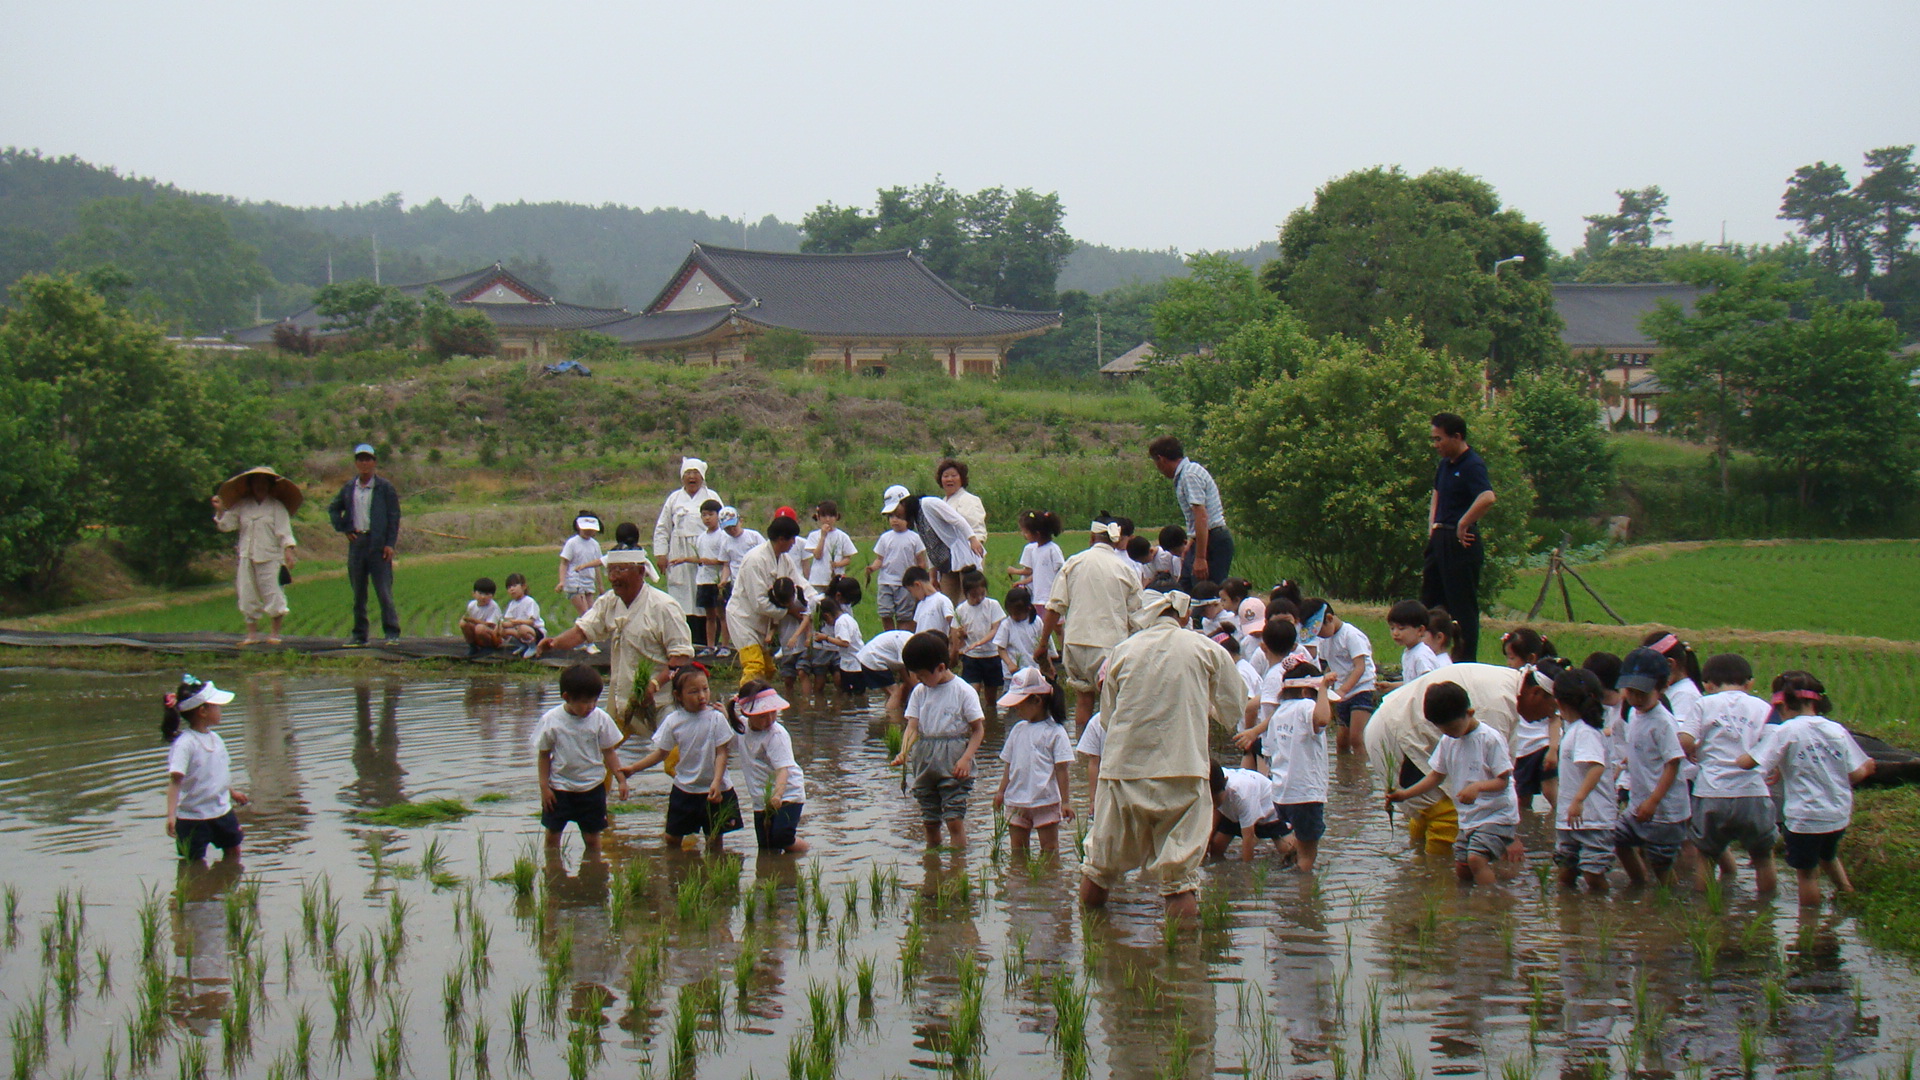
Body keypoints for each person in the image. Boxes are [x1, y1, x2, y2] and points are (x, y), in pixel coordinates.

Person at [1080, 591, 1248, 921]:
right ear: (1182, 616)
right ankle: (1180, 965)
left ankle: (1094, 946)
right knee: (1179, 882)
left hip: (1123, 772)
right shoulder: (1206, 648)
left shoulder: (1122, 651)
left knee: (1098, 866)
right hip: (1183, 770)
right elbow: (1234, 707)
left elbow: (1107, 720)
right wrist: (1206, 707)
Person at [1362, 662, 1554, 858]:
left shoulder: (1505, 688)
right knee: (1448, 818)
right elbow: (1488, 777)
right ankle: (1438, 878)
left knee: (1428, 809)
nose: (1549, 716)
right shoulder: (1497, 705)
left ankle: (1419, 867)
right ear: (1536, 693)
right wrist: (1508, 835)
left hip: (1392, 726)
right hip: (1397, 736)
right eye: (1551, 707)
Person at [1736, 670, 1874, 906]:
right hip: (1837, 814)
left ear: (1783, 705)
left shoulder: (1786, 731)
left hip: (1805, 818)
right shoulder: (1836, 730)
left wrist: (1730, 756)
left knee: (1807, 875)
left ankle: (1808, 928)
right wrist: (1868, 767)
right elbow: (1858, 772)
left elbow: (1750, 762)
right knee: (1828, 855)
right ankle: (1848, 893)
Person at [537, 549, 695, 738]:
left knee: (672, 753)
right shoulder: (609, 602)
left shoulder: (663, 607)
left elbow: (681, 657)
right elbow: (583, 631)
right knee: (603, 750)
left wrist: (654, 684)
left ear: (640, 572)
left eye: (620, 570)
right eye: (610, 571)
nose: (613, 578)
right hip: (622, 698)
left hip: (660, 701)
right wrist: (554, 643)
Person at [1387, 681, 1520, 886]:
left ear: (1470, 712)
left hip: (1497, 815)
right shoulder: (1449, 741)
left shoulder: (1490, 739)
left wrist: (1477, 787)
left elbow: (1503, 780)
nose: (1447, 732)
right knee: (1463, 869)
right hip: (1469, 817)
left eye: (1451, 727)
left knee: (1476, 859)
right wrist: (1405, 795)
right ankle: (1468, 904)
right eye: (1442, 729)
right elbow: (1435, 776)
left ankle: (1493, 904)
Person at [1678, 653, 1778, 894]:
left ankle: (1705, 914)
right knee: (1763, 858)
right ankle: (1767, 916)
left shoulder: (1703, 704)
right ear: (1750, 683)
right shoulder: (1764, 707)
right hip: (1752, 792)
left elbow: (1684, 739)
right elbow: (1776, 743)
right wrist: (1772, 768)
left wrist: (1693, 749)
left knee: (1706, 858)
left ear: (1707, 684)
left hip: (1711, 792)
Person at [1037, 519, 1143, 731]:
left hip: (1075, 643)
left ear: (1092, 538)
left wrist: (1042, 645)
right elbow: (1137, 618)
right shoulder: (1126, 568)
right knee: (1110, 706)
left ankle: (1084, 757)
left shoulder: (1074, 562)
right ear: (1114, 541)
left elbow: (1055, 607)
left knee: (1083, 700)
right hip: (1110, 645)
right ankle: (1103, 759)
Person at [620, 666, 743, 850]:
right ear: (678, 696)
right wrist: (633, 768)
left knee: (715, 839)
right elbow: (661, 753)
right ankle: (678, 870)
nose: (702, 696)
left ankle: (716, 875)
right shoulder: (674, 721)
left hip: (717, 788)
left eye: (705, 689)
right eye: (694, 691)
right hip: (685, 788)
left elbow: (722, 753)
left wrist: (716, 782)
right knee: (672, 838)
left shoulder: (716, 719)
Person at [891, 630, 987, 848]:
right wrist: (904, 752)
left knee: (954, 819)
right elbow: (912, 727)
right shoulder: (920, 692)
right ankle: (932, 870)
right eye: (916, 676)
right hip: (925, 760)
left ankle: (957, 866)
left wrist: (966, 758)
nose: (920, 681)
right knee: (930, 821)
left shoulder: (963, 691)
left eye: (923, 675)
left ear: (941, 668)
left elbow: (978, 730)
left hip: (954, 761)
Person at [1612, 646, 1691, 886]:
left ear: (1662, 687)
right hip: (1639, 806)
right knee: (1616, 839)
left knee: (1661, 865)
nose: (1635, 699)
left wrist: (1653, 801)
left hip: (1664, 812)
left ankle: (1667, 906)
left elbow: (1673, 763)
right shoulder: (1636, 715)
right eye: (1631, 692)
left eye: (1642, 694)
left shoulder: (1663, 722)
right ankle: (1639, 884)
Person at [1422, 413, 1496, 662]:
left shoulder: (1472, 464)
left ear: (1457, 436)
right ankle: (1430, 657)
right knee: (1430, 603)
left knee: (1461, 606)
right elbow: (1437, 493)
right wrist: (1433, 526)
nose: (1436, 445)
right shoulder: (1445, 465)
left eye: (1439, 439)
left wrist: (1464, 522)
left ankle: (1464, 661)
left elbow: (1487, 497)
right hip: (1440, 537)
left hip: (1460, 541)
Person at [533, 665, 628, 854]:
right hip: (559, 789)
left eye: (594, 700)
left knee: (592, 839)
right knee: (552, 836)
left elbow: (609, 751)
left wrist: (621, 779)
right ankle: (553, 874)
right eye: (585, 702)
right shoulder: (552, 720)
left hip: (592, 789)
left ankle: (595, 873)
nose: (591, 707)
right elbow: (544, 755)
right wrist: (544, 787)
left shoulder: (600, 718)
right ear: (567, 697)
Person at [161, 675, 247, 861]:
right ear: (203, 711)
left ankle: (227, 884)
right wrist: (171, 816)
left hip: (222, 811)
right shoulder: (185, 744)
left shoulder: (216, 739)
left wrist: (232, 793)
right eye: (215, 706)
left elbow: (217, 774)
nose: (220, 710)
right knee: (192, 863)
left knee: (233, 852)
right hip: (192, 818)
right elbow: (175, 782)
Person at [212, 466, 300, 646]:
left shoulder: (276, 507)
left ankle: (274, 634)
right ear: (251, 485)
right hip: (246, 555)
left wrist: (289, 551)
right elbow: (226, 525)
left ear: (269, 485)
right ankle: (251, 635)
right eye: (256, 483)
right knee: (247, 594)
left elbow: (284, 532)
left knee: (273, 593)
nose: (260, 486)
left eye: (263, 483)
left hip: (270, 556)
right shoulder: (243, 505)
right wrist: (220, 510)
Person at [992, 667, 1076, 857]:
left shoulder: (1055, 732)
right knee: (1018, 852)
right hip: (1016, 801)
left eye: (1019, 703)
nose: (1015, 708)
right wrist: (1000, 791)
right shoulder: (1018, 729)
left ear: (1036, 700)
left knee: (1049, 850)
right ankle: (1021, 884)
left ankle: (1049, 884)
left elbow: (1062, 769)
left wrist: (1066, 802)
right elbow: (1008, 764)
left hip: (1044, 801)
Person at [723, 515, 814, 683]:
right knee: (754, 667)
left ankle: (763, 705)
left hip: (761, 622)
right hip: (743, 620)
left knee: (768, 670)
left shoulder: (784, 559)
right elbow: (759, 603)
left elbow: (800, 582)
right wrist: (790, 611)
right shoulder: (755, 560)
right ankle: (743, 705)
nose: (794, 543)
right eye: (792, 539)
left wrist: (817, 601)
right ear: (781, 539)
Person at [1262, 659, 1335, 871]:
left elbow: (1269, 752)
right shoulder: (1307, 706)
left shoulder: (1279, 713)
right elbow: (1322, 720)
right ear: (1306, 692)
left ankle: (1289, 867)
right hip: (1306, 794)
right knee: (1308, 859)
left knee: (1301, 841)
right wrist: (1323, 689)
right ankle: (1303, 897)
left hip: (1282, 795)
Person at [326, 443, 402, 646]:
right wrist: (345, 528)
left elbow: (394, 517)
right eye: (360, 459)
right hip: (358, 543)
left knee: (384, 591)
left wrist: (390, 543)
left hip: (378, 544)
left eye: (368, 459)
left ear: (374, 462)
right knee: (359, 593)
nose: (364, 463)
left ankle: (392, 633)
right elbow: (333, 508)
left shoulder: (385, 488)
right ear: (356, 463)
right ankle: (359, 635)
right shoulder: (350, 487)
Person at [1551, 668, 1616, 891]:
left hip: (1592, 818)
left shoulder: (1585, 732)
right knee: (1565, 872)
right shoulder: (1574, 729)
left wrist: (1578, 800)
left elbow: (1596, 767)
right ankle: (1571, 918)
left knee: (1593, 874)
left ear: (1559, 702)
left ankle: (1600, 916)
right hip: (1571, 819)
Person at [728, 682, 810, 855]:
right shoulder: (741, 728)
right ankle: (773, 876)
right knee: (766, 846)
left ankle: (808, 853)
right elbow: (726, 736)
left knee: (782, 838)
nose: (770, 719)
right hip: (761, 798)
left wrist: (778, 795)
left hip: (788, 794)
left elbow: (783, 770)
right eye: (762, 715)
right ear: (746, 713)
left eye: (773, 713)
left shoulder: (776, 735)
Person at [652, 456, 722, 644]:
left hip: (705, 553)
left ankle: (708, 642)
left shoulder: (711, 497)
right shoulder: (674, 498)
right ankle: (683, 641)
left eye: (695, 473)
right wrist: (661, 554)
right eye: (688, 473)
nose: (692, 477)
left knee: (706, 597)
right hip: (679, 554)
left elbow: (723, 524)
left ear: (702, 476)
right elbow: (663, 527)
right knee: (681, 597)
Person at [1147, 436, 1232, 590]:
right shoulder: (1187, 473)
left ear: (1161, 459)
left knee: (1204, 593)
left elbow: (1202, 516)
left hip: (1213, 539)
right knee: (1185, 590)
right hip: (1201, 539)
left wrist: (1200, 557)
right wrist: (1191, 542)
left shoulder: (1189, 476)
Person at [1500, 630, 1561, 812]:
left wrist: (1553, 748)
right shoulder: (1513, 684)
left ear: (1531, 658)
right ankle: (1525, 826)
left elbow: (1554, 719)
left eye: (1512, 658)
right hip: (1521, 749)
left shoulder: (1542, 684)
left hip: (1541, 745)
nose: (1509, 663)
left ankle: (1560, 817)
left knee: (1550, 787)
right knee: (1520, 795)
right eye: (1508, 658)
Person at [1304, 599, 1376, 755]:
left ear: (1329, 619)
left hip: (1362, 689)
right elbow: (1329, 665)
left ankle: (1361, 775)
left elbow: (1360, 667)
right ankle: (1344, 775)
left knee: (1356, 738)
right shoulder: (1325, 640)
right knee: (1341, 741)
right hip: (1340, 693)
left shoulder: (1351, 635)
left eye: (1320, 632)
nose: (1320, 637)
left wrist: (1343, 690)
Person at [870, 488, 929, 631]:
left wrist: (920, 577)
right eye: (891, 517)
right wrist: (872, 568)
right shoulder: (885, 537)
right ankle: (889, 636)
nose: (895, 520)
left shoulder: (914, 538)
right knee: (885, 612)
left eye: (899, 517)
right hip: (886, 581)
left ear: (908, 519)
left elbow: (921, 561)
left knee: (904, 615)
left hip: (905, 584)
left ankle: (903, 638)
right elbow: (880, 559)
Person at [1208, 762, 1285, 862]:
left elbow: (1249, 837)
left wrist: (1247, 871)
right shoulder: (1214, 776)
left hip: (1269, 813)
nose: (1213, 805)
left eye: (1216, 801)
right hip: (1233, 812)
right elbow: (1213, 819)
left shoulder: (1242, 795)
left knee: (1287, 851)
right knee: (1215, 849)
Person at [936, 459, 989, 597]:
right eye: (946, 476)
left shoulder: (969, 500)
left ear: (962, 478)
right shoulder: (941, 503)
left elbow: (977, 530)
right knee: (947, 602)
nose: (949, 479)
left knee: (968, 600)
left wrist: (974, 551)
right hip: (947, 559)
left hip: (968, 556)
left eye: (954, 475)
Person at [953, 569, 1007, 702]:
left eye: (982, 594)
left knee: (991, 696)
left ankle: (991, 718)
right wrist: (961, 635)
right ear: (966, 594)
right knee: (972, 692)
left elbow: (996, 629)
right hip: (972, 657)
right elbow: (956, 635)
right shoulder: (961, 610)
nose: (979, 598)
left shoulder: (992, 605)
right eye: (974, 595)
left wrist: (980, 642)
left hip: (991, 655)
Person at [687, 501, 729, 652]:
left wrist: (710, 561)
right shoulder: (701, 538)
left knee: (722, 615)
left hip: (718, 581)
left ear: (718, 516)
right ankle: (710, 645)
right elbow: (700, 558)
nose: (707, 518)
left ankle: (725, 645)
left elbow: (725, 560)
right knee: (709, 615)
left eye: (711, 514)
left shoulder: (723, 536)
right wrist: (684, 559)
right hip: (703, 580)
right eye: (704, 515)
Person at [1008, 510, 1065, 610]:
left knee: (1054, 625)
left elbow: (1062, 571)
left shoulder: (1052, 549)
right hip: (1038, 598)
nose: (1024, 535)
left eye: (1026, 532)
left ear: (1037, 534)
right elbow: (1038, 573)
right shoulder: (1034, 551)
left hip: (1052, 599)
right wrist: (1023, 582)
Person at [1381, 600, 1440, 693]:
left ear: (1420, 630)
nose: (1395, 633)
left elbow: (1427, 684)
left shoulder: (1421, 655)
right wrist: (1391, 686)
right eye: (1392, 628)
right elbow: (1411, 683)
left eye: (1401, 628)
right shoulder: (1409, 652)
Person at [853, 628, 915, 716]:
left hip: (868, 657)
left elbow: (903, 670)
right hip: (873, 659)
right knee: (895, 693)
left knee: (891, 694)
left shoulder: (908, 638)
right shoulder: (908, 645)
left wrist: (910, 684)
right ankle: (892, 722)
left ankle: (890, 716)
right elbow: (912, 674)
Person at [557, 513, 605, 619]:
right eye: (586, 529)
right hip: (575, 582)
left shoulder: (595, 545)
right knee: (586, 616)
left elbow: (597, 565)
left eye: (591, 530)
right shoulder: (572, 543)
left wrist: (600, 585)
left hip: (589, 582)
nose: (588, 532)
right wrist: (562, 581)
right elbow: (564, 563)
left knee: (592, 616)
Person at [802, 500, 857, 593]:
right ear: (818, 517)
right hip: (818, 579)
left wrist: (837, 564)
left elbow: (848, 558)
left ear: (836, 517)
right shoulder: (814, 535)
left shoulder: (842, 536)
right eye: (824, 516)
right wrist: (823, 536)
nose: (827, 519)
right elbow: (817, 555)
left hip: (836, 579)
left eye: (831, 516)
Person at [993, 585, 1045, 680]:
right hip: (1013, 675)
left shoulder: (1037, 622)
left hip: (1034, 672)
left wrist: (1046, 665)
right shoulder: (1006, 625)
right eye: (1011, 613)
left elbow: (1043, 644)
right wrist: (1010, 663)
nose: (1013, 616)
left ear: (1027, 609)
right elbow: (1001, 648)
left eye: (1017, 614)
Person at [500, 573, 545, 658]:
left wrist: (518, 622)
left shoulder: (529, 601)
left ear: (523, 587)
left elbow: (531, 622)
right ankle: (522, 645)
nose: (512, 589)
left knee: (522, 628)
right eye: (509, 587)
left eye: (514, 586)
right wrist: (503, 624)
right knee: (503, 630)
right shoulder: (512, 604)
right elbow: (510, 622)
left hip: (535, 632)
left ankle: (533, 646)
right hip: (520, 630)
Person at [902, 566, 954, 640]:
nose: (913, 595)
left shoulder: (942, 600)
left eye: (911, 591)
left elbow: (952, 622)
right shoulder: (920, 605)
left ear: (917, 585)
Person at [460, 577, 505, 655]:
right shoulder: (471, 605)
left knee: (480, 628)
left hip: (493, 637)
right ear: (474, 594)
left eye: (487, 594)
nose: (483, 597)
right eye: (480, 593)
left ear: (492, 596)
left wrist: (473, 621)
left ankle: (488, 648)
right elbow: (467, 620)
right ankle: (473, 646)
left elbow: (491, 625)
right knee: (463, 623)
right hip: (478, 635)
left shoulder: (493, 606)